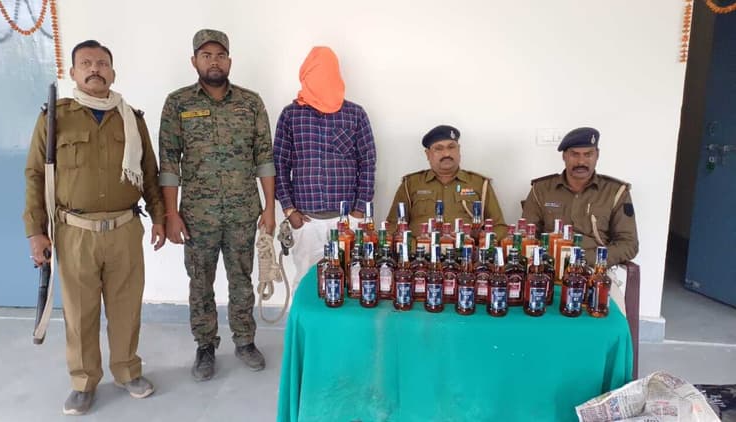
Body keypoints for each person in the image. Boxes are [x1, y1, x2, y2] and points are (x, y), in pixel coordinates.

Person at [23, 40, 165, 415]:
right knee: (80, 312)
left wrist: (160, 217)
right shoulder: (55, 117)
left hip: (124, 229)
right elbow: (35, 175)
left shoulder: (131, 118)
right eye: (86, 63)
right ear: (73, 73)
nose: (94, 69)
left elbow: (149, 173)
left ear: (112, 72)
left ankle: (127, 370)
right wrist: (36, 230)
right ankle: (84, 381)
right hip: (75, 232)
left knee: (125, 308)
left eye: (102, 63)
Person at [158, 29, 275, 381]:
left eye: (220, 55)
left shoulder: (250, 103)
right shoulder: (178, 103)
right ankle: (205, 346)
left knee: (242, 280)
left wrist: (269, 208)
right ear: (194, 61)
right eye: (206, 55)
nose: (214, 61)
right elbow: (169, 163)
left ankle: (245, 341)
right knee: (200, 283)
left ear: (229, 61)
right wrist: (171, 213)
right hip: (198, 216)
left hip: (242, 212)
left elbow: (264, 158)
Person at [273, 46, 376, 283]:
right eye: (316, 73)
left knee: (350, 280)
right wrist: (289, 210)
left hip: (346, 220)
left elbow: (368, 163)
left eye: (328, 73)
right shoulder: (291, 115)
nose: (323, 79)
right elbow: (279, 163)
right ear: (305, 75)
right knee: (307, 281)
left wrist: (359, 212)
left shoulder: (355, 114)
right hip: (306, 220)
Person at [521, 127, 639, 312]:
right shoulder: (542, 189)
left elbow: (629, 244)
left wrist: (586, 260)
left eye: (588, 154)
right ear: (564, 156)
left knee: (613, 317)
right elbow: (527, 234)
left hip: (595, 272)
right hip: (547, 272)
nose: (581, 161)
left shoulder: (615, 192)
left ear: (597, 155)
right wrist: (547, 262)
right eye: (574, 154)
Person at [385, 125, 508, 239]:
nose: (447, 153)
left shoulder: (479, 184)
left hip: (467, 251)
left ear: (459, 150)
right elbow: (393, 226)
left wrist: (481, 241)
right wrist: (412, 246)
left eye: (451, 147)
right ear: (428, 154)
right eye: (439, 149)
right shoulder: (411, 184)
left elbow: (499, 227)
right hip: (419, 252)